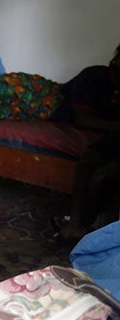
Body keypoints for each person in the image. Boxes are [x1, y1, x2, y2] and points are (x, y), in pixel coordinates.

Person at [52, 44, 120, 242]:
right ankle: (75, 224)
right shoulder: (95, 77)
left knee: (101, 175)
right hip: (112, 134)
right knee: (88, 163)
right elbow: (82, 119)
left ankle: (84, 227)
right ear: (115, 59)